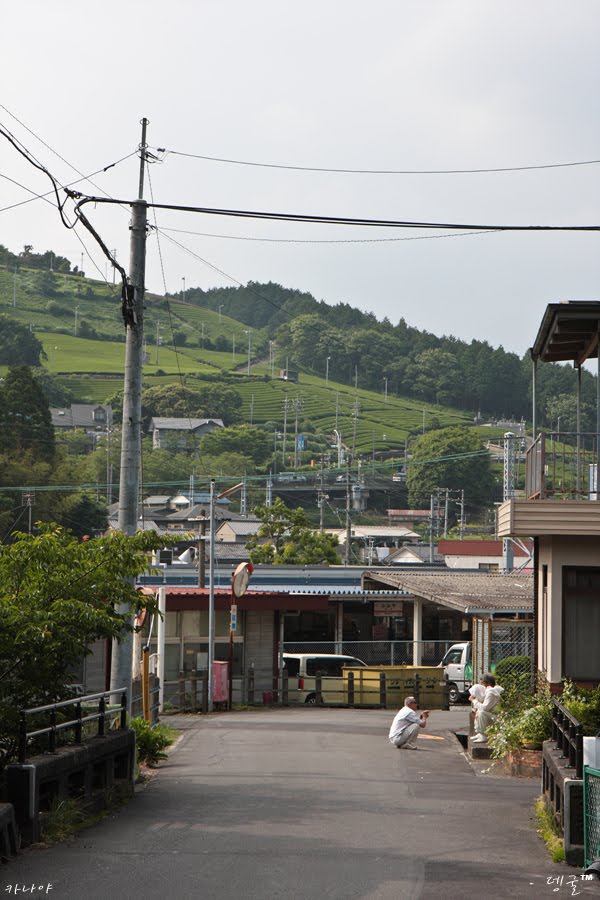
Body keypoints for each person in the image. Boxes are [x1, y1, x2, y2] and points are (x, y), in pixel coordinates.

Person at [470, 673, 504, 742]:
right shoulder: (490, 691)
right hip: (494, 715)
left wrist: (474, 700)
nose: (481, 685)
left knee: (481, 712)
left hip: (497, 717)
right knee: (479, 711)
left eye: (482, 683)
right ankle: (480, 734)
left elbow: (485, 708)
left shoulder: (491, 692)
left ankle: (483, 736)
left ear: (488, 683)